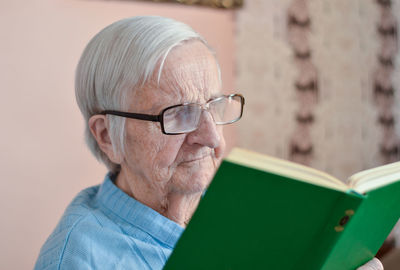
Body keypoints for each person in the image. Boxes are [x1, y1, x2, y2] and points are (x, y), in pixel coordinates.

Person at [34, 16, 383, 270]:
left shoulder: (230, 208)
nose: (213, 138)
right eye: (178, 115)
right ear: (108, 136)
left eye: (215, 106)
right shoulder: (78, 259)